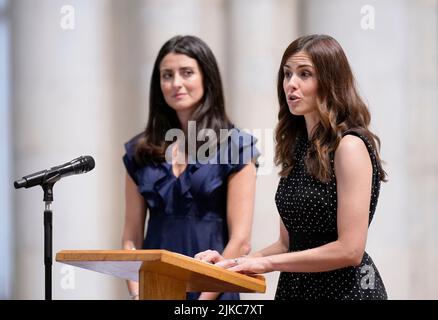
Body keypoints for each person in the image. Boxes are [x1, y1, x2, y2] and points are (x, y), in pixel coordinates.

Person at [195, 34, 388, 300]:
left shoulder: (349, 146)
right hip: (296, 290)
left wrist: (267, 264)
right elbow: (287, 244)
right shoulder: (298, 148)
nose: (291, 84)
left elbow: (350, 251)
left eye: (304, 74)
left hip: (346, 292)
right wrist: (235, 263)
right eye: (287, 74)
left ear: (330, 81)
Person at [121, 35, 260, 300]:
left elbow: (241, 240)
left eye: (187, 73)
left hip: (214, 290)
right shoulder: (139, 151)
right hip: (155, 289)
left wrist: (202, 301)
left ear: (206, 78)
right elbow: (131, 236)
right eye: (167, 75)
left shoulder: (236, 146)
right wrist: (138, 294)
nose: (176, 83)